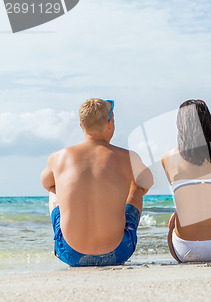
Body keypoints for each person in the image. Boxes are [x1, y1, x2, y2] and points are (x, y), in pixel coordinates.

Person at [41, 98, 153, 266]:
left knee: (53, 187)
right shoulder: (129, 157)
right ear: (110, 123)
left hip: (70, 253)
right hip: (118, 252)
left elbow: (46, 183)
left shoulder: (58, 157)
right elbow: (147, 182)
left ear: (81, 126)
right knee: (137, 184)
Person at [162, 99, 211, 262]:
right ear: (208, 123)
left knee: (176, 214)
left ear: (180, 125)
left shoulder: (168, 158)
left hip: (185, 249)